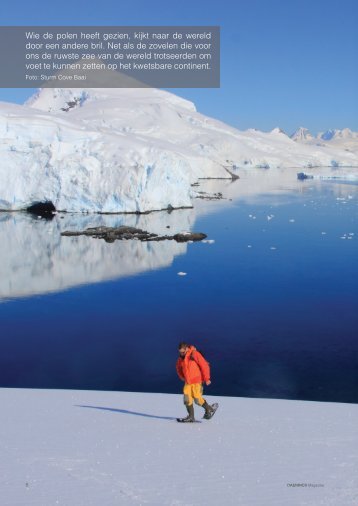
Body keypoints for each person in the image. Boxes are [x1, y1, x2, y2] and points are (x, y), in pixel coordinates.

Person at [176, 342, 217, 422]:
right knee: (187, 399)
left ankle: (210, 409)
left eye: (183, 352)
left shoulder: (194, 354)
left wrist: (207, 378)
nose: (181, 354)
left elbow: (204, 365)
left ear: (187, 349)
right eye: (180, 352)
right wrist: (182, 376)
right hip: (188, 382)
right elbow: (178, 367)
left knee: (197, 399)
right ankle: (191, 417)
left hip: (197, 381)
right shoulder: (181, 358)